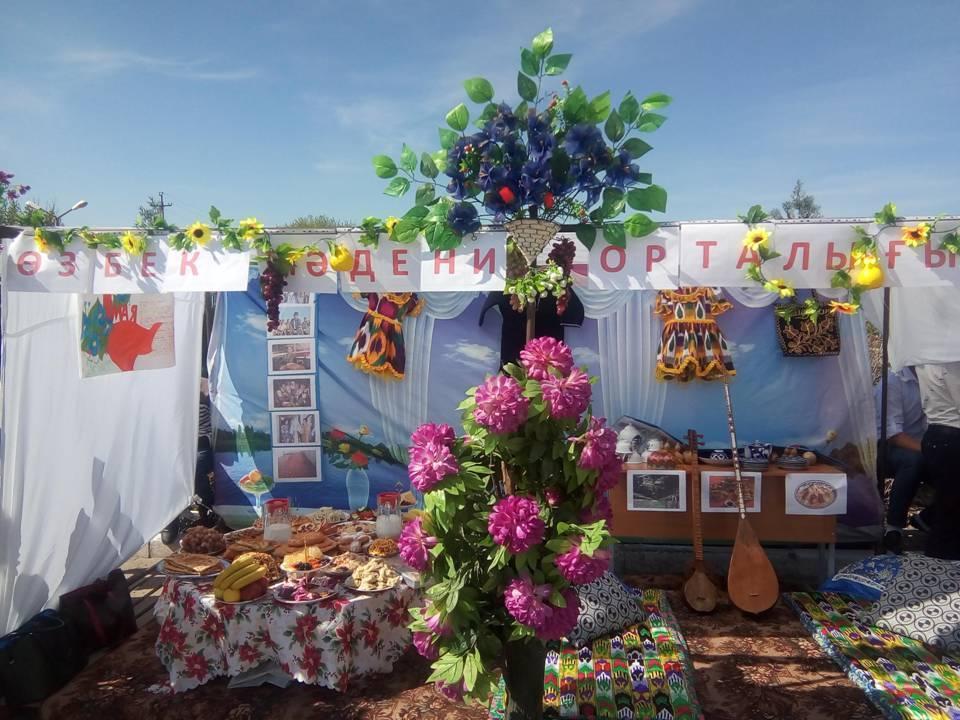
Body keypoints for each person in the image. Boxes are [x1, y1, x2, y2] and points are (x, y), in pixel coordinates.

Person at [876, 367, 931, 554]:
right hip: (884, 446)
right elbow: (893, 435)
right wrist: (931, 451)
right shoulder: (893, 381)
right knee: (913, 461)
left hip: (922, 446)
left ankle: (931, 518)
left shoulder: (937, 377)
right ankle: (894, 528)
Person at [915, 361, 960, 560]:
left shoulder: (926, 359)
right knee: (950, 512)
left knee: (948, 505)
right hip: (951, 435)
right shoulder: (950, 362)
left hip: (937, 434)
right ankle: (942, 561)